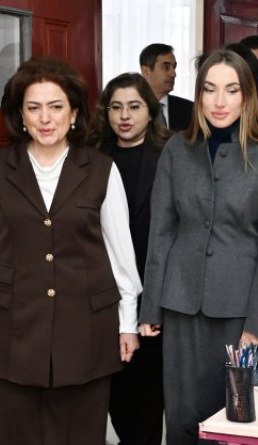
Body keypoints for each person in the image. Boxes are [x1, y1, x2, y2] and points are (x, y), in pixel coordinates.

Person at [0, 58, 141, 445]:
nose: (45, 118)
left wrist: (127, 323)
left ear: (74, 113)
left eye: (56, 106)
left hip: (85, 330)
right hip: (12, 330)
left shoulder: (102, 170)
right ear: (20, 115)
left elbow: (121, 254)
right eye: (33, 108)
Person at [139, 49, 258, 445]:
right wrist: (151, 306)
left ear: (248, 95)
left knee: (234, 424)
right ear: (198, 95)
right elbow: (161, 232)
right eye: (210, 90)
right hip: (181, 305)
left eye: (231, 90)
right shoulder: (177, 150)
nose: (219, 101)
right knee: (181, 420)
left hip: (240, 314)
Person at [90, 73, 172, 445]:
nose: (124, 116)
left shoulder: (171, 153)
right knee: (113, 392)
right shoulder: (91, 157)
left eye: (134, 106)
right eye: (116, 107)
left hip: (153, 291)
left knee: (147, 394)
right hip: (101, 291)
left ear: (150, 111)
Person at [141, 43, 193, 132]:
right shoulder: (131, 108)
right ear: (146, 71)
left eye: (174, 67)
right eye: (166, 67)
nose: (173, 74)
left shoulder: (190, 109)